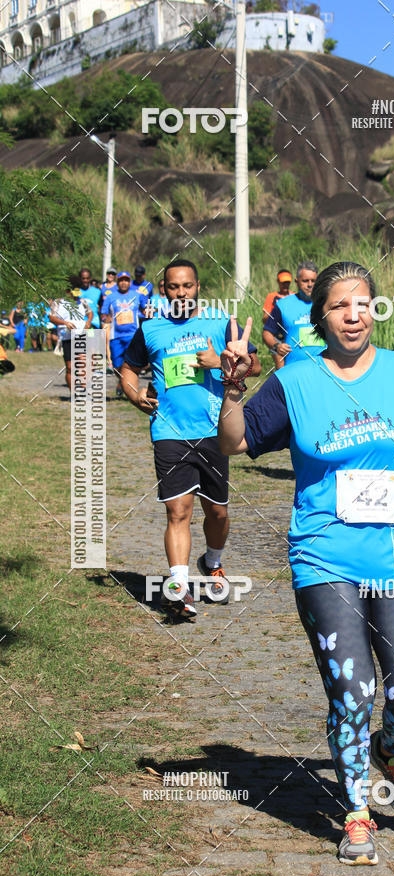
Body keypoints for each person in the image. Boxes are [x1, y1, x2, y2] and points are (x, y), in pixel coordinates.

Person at [218, 261, 394, 865]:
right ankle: (357, 814)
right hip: (322, 558)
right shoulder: (296, 381)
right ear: (319, 317)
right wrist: (229, 389)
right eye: (339, 306)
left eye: (362, 304)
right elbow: (235, 441)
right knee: (352, 690)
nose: (352, 315)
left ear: (374, 309)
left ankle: (391, 748)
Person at [120, 259, 261, 619]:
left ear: (198, 287)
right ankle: (179, 589)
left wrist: (220, 363)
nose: (180, 292)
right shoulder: (150, 328)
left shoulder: (219, 323)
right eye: (173, 287)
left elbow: (255, 366)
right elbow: (128, 370)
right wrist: (135, 395)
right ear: (163, 289)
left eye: (187, 286)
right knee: (177, 510)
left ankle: (212, 561)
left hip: (215, 431)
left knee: (217, 512)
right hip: (169, 432)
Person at [262, 261, 325, 367]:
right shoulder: (283, 305)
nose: (310, 285)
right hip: (293, 368)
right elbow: (267, 332)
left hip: (322, 367)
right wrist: (276, 346)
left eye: (313, 281)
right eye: (305, 281)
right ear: (296, 281)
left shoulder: (326, 303)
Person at [100, 271, 146, 397]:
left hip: (133, 335)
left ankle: (131, 392)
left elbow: (144, 309)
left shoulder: (137, 295)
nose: (124, 283)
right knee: (116, 366)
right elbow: (103, 313)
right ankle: (121, 381)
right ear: (117, 282)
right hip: (116, 336)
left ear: (130, 282)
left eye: (126, 280)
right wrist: (105, 319)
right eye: (121, 280)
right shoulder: (110, 297)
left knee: (132, 365)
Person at [49, 288, 93, 390]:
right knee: (70, 367)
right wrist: (65, 323)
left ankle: (84, 390)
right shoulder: (58, 302)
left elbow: (90, 313)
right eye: (74, 295)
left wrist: (88, 322)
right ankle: (73, 393)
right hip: (66, 337)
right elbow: (51, 318)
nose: (76, 297)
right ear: (68, 292)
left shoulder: (82, 301)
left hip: (81, 335)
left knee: (82, 364)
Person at [262, 269, 293, 371]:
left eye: (287, 282)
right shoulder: (272, 297)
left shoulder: (294, 296)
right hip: (276, 336)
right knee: (280, 366)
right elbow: (265, 318)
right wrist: (277, 316)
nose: (285, 285)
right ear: (278, 282)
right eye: (283, 282)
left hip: (290, 334)